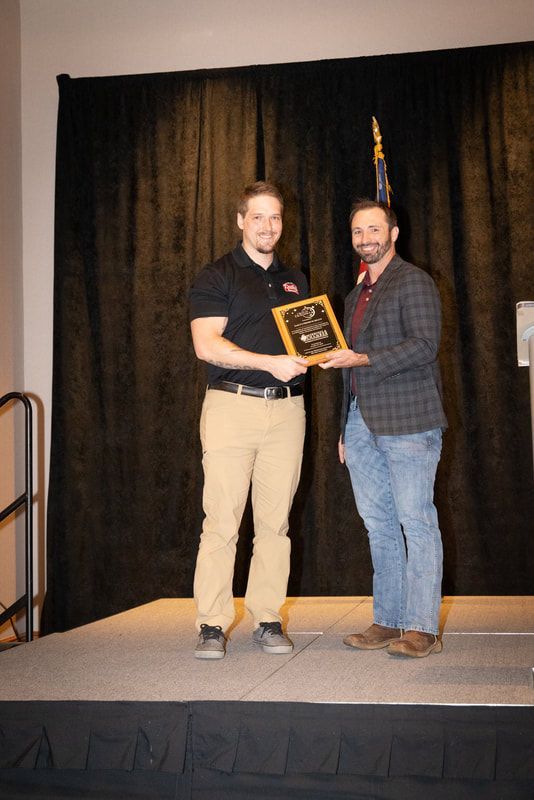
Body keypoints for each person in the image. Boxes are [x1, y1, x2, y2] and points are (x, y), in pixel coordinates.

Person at [320, 199, 447, 658]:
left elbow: (425, 346)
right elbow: (346, 371)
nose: (365, 238)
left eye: (374, 229)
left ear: (394, 233)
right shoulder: (354, 296)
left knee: (416, 521)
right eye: (358, 232)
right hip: (360, 424)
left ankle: (421, 628)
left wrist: (365, 358)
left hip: (409, 422)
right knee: (378, 526)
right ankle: (388, 619)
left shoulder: (413, 282)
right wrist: (343, 430)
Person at [189, 181, 309, 659]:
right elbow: (206, 345)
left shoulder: (295, 279)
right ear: (240, 221)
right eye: (257, 217)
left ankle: (267, 618)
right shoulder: (216, 275)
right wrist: (268, 362)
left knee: (276, 525)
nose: (267, 226)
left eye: (275, 218)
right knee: (221, 522)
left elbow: (305, 343)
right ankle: (212, 625)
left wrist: (327, 353)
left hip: (287, 411)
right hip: (231, 407)